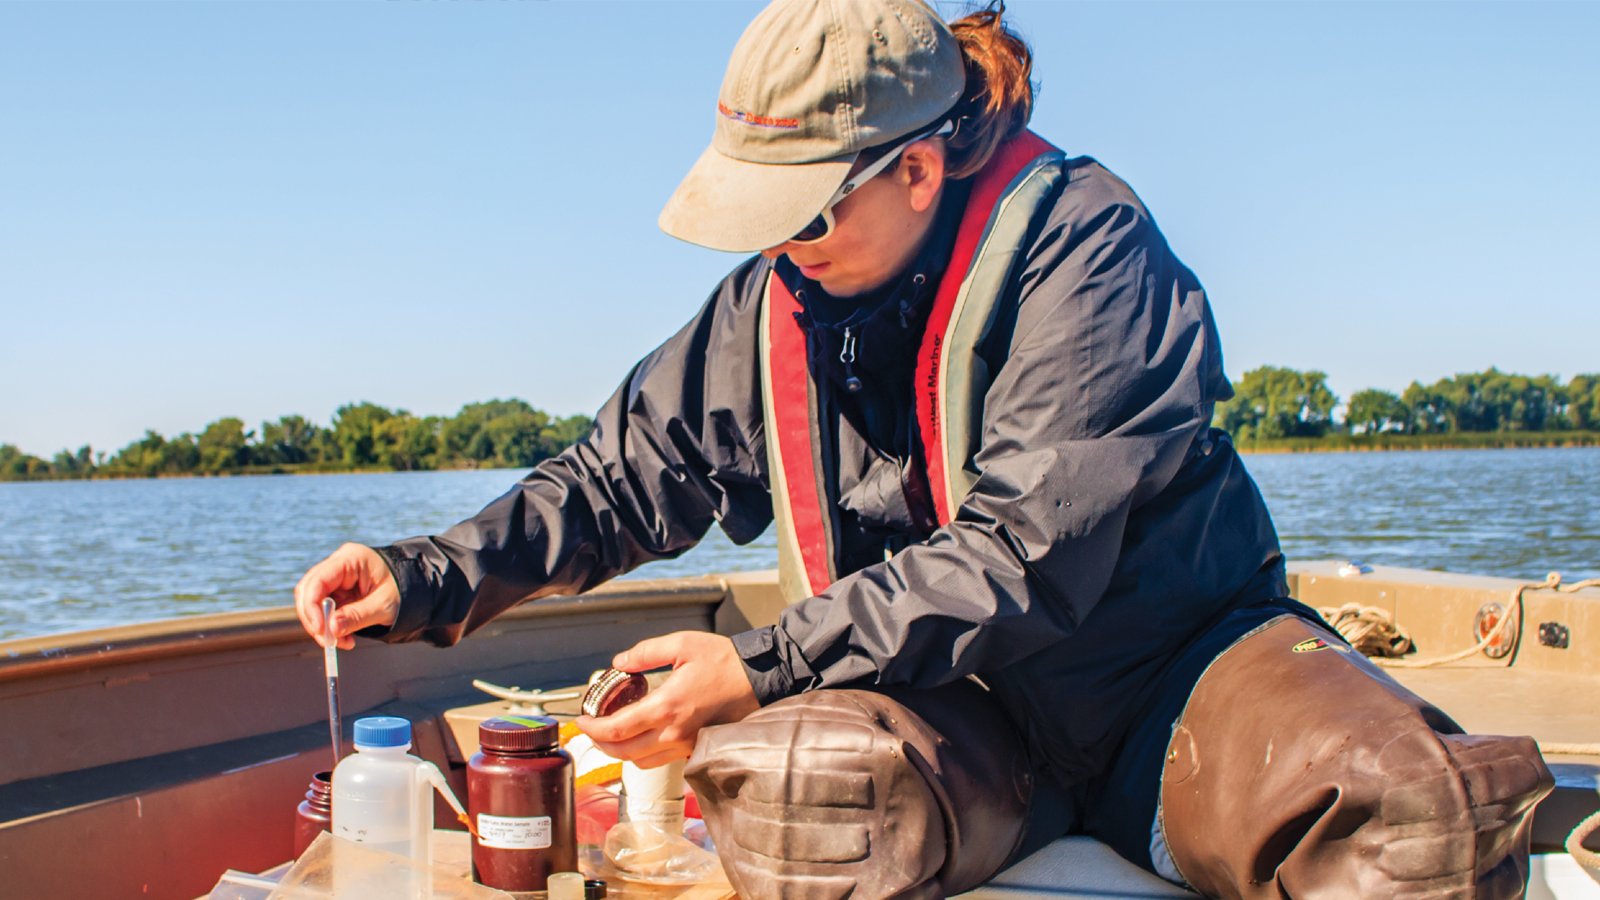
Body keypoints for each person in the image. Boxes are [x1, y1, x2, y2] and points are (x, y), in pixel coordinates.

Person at [294, 2, 1552, 898]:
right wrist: (423, 577)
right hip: (954, 718)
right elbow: (620, 477)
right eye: (763, 210)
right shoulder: (770, 299)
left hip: (1169, 682)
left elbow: (1025, 555)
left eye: (809, 207)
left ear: (921, 166)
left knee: (1401, 823)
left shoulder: (1087, 250)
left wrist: (757, 662)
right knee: (794, 792)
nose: (782, 241)